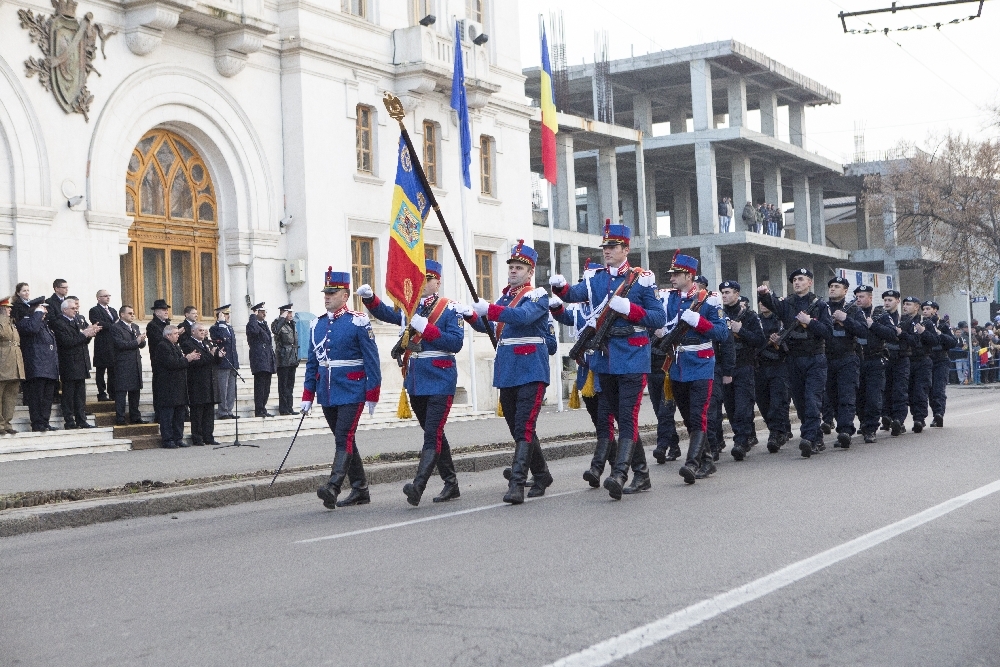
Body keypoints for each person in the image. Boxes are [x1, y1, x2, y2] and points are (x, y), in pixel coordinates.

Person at [550, 224, 666, 499]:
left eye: (612, 247)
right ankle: (642, 474)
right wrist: (559, 286)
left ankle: (619, 473)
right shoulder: (596, 279)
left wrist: (631, 310)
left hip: (633, 356)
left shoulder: (643, 279)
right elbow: (572, 295)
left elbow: (658, 319)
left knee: (628, 416)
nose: (607, 253)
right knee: (620, 415)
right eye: (604, 248)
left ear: (626, 249)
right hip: (605, 358)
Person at [358, 259, 465, 505]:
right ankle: (451, 484)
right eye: (420, 279)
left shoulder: (450, 308)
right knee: (434, 433)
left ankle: (418, 486)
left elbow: (455, 343)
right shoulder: (410, 308)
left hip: (440, 377)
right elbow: (387, 313)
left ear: (438, 281)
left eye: (428, 279)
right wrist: (370, 299)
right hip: (416, 378)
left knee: (432, 435)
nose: (424, 284)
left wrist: (426, 329)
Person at [467, 241, 553, 504]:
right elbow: (494, 328)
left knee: (525, 426)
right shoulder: (505, 298)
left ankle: (517, 484)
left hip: (530, 369)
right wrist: (472, 316)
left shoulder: (538, 295)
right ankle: (541, 474)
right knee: (519, 428)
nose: (513, 271)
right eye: (512, 267)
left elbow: (523, 317)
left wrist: (490, 310)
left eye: (519, 267)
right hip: (508, 371)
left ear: (530, 272)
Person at [303, 268, 381, 509]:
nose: (327, 297)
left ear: (345, 295)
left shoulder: (358, 321)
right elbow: (313, 362)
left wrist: (372, 393)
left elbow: (372, 359)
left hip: (352, 388)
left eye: (332, 293)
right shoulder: (317, 324)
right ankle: (360, 489)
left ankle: (333, 486)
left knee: (343, 437)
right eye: (325, 293)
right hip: (327, 390)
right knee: (345, 438)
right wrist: (308, 394)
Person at [655, 253, 727, 483]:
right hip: (677, 366)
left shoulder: (710, 299)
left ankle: (692, 463)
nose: (672, 278)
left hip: (701, 364)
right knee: (688, 418)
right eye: (671, 274)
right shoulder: (668, 298)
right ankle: (706, 460)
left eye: (676, 274)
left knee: (699, 415)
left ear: (690, 275)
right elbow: (658, 321)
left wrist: (699, 322)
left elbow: (722, 333)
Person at [757, 269, 832, 458]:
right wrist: (764, 294)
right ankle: (816, 437)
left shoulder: (820, 305)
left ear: (810, 282)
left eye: (801, 279)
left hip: (815, 358)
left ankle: (808, 438)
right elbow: (772, 304)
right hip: (793, 359)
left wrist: (810, 322)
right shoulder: (787, 304)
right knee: (800, 402)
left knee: (811, 399)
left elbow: (828, 332)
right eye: (794, 280)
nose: (797, 282)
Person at [821, 277, 867, 449]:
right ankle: (839, 426)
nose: (832, 289)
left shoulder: (854, 309)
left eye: (837, 286)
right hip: (827, 358)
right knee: (831, 396)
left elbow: (863, 331)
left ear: (845, 290)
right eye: (831, 286)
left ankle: (845, 431)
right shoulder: (822, 308)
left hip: (847, 357)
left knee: (846, 396)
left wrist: (846, 319)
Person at [719, 282, 764, 460]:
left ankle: (742, 441)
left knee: (743, 407)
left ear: (737, 294)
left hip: (744, 366)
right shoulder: (719, 314)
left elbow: (760, 340)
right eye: (722, 292)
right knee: (730, 407)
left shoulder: (750, 316)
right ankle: (740, 436)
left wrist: (741, 330)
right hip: (726, 367)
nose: (724, 296)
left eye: (728, 292)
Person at [853, 285, 897, 443]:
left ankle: (871, 428)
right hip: (856, 360)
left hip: (874, 359)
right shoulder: (850, 313)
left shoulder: (879, 314)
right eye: (857, 296)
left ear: (870, 298)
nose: (858, 299)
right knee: (858, 397)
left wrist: (873, 325)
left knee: (873, 396)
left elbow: (892, 334)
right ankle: (864, 422)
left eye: (862, 296)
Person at [13, 284, 58, 431]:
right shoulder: (26, 322)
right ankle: (37, 423)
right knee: (37, 398)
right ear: (34, 310)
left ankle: (44, 421)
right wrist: (37, 314)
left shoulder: (44, 325)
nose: (44, 312)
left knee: (47, 399)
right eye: (41, 309)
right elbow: (31, 329)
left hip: (48, 368)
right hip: (36, 367)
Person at [50, 298, 100, 429]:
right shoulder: (59, 322)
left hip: (81, 361)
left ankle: (81, 419)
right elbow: (67, 342)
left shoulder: (77, 320)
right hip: (69, 362)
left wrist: (89, 334)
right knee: (68, 394)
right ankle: (69, 421)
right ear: (64, 310)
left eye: (76, 308)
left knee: (80, 394)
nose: (76, 310)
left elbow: (82, 340)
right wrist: (84, 334)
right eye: (73, 308)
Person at [153, 324, 200, 448]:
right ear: (168, 335)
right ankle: (168, 439)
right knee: (167, 416)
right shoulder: (162, 346)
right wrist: (187, 359)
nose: (178, 336)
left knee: (179, 415)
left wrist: (187, 358)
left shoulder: (175, 346)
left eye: (177, 334)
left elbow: (179, 361)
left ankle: (178, 438)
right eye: (175, 334)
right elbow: (171, 363)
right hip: (168, 387)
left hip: (178, 387)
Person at [880, 291, 917, 436]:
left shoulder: (906, 320)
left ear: (897, 301)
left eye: (890, 300)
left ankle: (898, 420)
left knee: (900, 390)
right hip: (885, 358)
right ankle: (886, 416)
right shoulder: (881, 318)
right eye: (885, 300)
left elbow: (914, 341)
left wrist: (901, 334)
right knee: (885, 389)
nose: (887, 303)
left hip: (901, 358)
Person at [755, 301, 791, 451]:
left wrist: (779, 342)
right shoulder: (755, 320)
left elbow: (790, 344)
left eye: (766, 301)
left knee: (778, 401)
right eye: (760, 302)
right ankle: (775, 429)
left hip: (779, 365)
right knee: (763, 403)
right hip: (759, 367)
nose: (763, 304)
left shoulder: (780, 320)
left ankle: (777, 434)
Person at [182, 324, 225, 446]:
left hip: (210, 382)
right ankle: (197, 437)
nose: (203, 333)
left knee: (209, 412)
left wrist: (219, 356)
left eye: (204, 331)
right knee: (197, 412)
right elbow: (197, 361)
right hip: (197, 383)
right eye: (200, 330)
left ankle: (208, 436)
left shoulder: (207, 343)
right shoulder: (188, 344)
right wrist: (211, 355)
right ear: (193, 332)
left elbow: (212, 361)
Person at [903, 296, 936, 433]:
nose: (905, 306)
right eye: (904, 304)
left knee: (920, 391)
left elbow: (935, 340)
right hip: (906, 360)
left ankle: (919, 419)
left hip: (922, 360)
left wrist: (924, 333)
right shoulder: (901, 322)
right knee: (907, 392)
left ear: (917, 307)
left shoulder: (925, 322)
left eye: (909, 304)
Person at [110, 305, 147, 426]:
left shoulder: (135, 326)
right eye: (130, 313)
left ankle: (135, 416)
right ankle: (120, 417)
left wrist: (142, 340)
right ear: (122, 315)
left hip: (135, 362)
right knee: (121, 392)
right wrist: (136, 341)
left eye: (133, 313)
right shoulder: (116, 327)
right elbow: (120, 344)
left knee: (135, 391)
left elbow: (140, 345)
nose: (133, 315)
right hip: (123, 363)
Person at [922, 301, 956, 427]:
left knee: (938, 389)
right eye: (923, 309)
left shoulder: (942, 325)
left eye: (928, 308)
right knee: (927, 390)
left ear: (935, 310)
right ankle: (922, 417)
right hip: (926, 360)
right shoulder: (920, 324)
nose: (925, 311)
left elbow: (953, 342)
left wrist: (939, 334)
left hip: (941, 360)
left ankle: (938, 414)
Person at [210, 305, 240, 419]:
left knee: (231, 388)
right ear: (220, 315)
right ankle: (222, 411)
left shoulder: (230, 328)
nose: (228, 316)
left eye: (228, 314)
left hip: (231, 361)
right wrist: (221, 324)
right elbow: (222, 338)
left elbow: (232, 346)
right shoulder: (215, 328)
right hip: (222, 362)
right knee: (223, 388)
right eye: (225, 314)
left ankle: (229, 410)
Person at [247, 302, 277, 417]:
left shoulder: (264, 324)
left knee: (266, 387)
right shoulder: (252, 324)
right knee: (260, 386)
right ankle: (259, 409)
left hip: (267, 358)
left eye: (265, 311)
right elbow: (254, 331)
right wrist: (252, 317)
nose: (264, 314)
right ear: (256, 313)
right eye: (262, 311)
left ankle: (263, 408)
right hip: (259, 359)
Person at [88, 290, 118, 402]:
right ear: (98, 298)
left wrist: (112, 326)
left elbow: (117, 323)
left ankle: (112, 392)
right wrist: (112, 326)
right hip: (102, 344)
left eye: (109, 295)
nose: (107, 298)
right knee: (101, 370)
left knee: (113, 370)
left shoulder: (113, 310)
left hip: (113, 344)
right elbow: (98, 323)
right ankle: (101, 392)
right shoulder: (94, 310)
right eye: (105, 296)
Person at [0, 298, 24, 434]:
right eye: (7, 307)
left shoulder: (12, 323)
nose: (10, 309)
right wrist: (2, 317)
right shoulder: (2, 322)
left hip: (14, 363)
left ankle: (7, 423)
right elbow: (2, 334)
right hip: (3, 363)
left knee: (11, 395)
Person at [271, 304, 299, 416]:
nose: (291, 315)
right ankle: (283, 408)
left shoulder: (292, 324)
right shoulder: (277, 323)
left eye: (291, 313)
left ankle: (289, 407)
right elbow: (276, 331)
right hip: (283, 358)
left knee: (290, 385)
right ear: (283, 313)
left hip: (292, 357)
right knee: (283, 385)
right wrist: (282, 318)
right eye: (289, 313)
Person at [146, 299, 171, 421]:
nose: (166, 311)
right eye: (163, 309)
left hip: (171, 361)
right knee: (159, 388)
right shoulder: (152, 325)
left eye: (167, 309)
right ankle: (159, 414)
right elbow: (158, 341)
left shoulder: (168, 323)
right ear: (156, 312)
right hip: (158, 361)